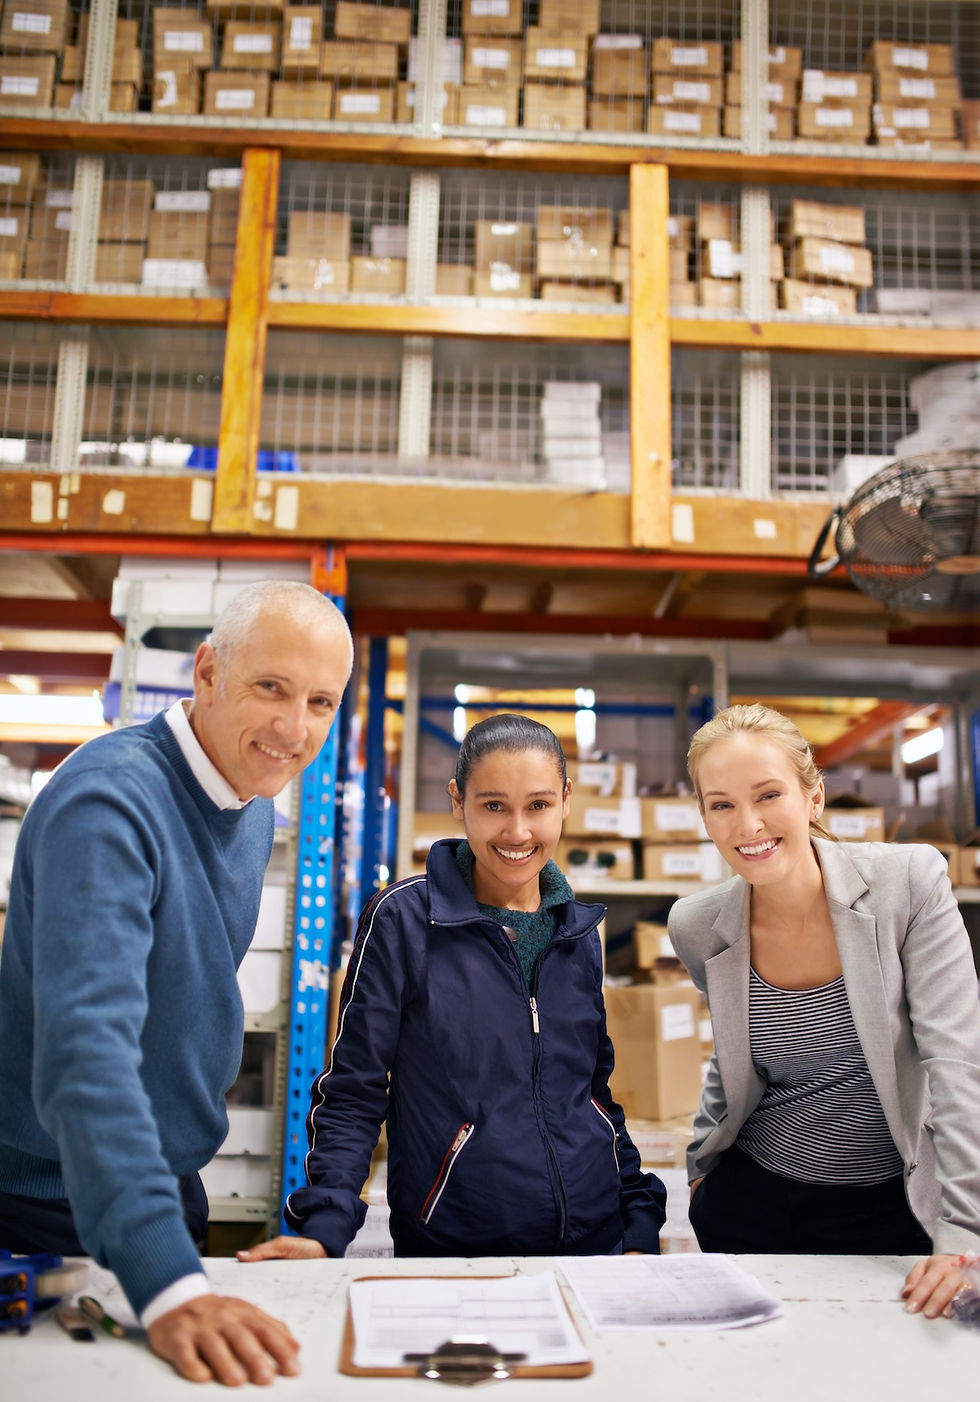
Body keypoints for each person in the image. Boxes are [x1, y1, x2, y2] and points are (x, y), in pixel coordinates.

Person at [0, 579, 353, 1385]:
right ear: (205, 672)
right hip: (57, 1202)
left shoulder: (249, 800)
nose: (294, 729)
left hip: (161, 1184)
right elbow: (86, 1058)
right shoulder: (108, 804)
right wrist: (168, 1284)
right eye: (271, 688)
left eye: (321, 702)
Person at [240, 713, 666, 1264]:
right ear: (457, 800)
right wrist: (323, 1229)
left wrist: (636, 1227)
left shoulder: (576, 932)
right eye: (493, 806)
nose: (517, 832)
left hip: (594, 1250)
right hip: (454, 1253)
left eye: (537, 805)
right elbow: (354, 1090)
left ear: (565, 799)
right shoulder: (404, 921)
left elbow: (593, 1095)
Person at [667, 702, 980, 1319]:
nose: (747, 824)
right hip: (752, 1204)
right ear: (704, 816)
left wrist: (966, 1227)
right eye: (722, 804)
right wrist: (703, 1166)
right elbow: (733, 1055)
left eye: (768, 795)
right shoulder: (697, 924)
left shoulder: (908, 883)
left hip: (894, 1211)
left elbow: (957, 1061)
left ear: (813, 797)